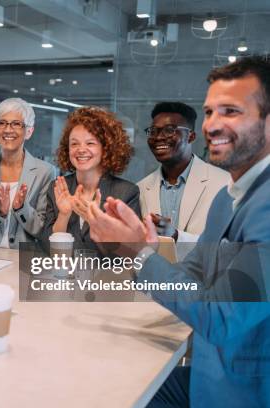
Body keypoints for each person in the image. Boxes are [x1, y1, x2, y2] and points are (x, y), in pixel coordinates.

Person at [84, 56, 270, 407]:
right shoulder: (225, 200)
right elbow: (192, 276)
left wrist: (138, 253)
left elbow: (221, 318)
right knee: (104, 380)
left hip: (242, 391)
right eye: (210, 111)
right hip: (206, 372)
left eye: (231, 111)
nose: (212, 125)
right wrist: (145, 250)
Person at [41, 106, 140, 252]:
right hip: (64, 273)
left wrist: (95, 222)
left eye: (90, 143)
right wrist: (63, 215)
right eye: (74, 144)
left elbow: (130, 254)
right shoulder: (58, 187)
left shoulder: (126, 193)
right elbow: (47, 248)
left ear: (106, 148)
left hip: (108, 274)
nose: (81, 149)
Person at [0, 98, 56, 251]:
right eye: (2, 123)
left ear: (29, 131)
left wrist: (22, 208)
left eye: (16, 124)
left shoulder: (45, 172)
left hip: (23, 257)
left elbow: (42, 229)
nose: (8, 130)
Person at [138, 102, 229, 246]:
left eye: (169, 130)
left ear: (191, 136)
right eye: (154, 131)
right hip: (155, 268)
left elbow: (231, 246)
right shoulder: (140, 189)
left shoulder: (224, 183)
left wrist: (176, 236)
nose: (159, 137)